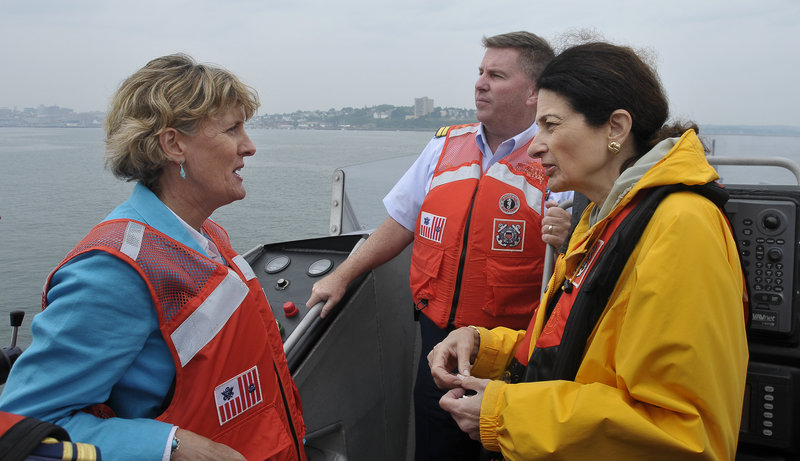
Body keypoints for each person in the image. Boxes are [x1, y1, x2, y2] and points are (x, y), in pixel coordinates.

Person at [428, 41, 749, 460]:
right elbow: (571, 348)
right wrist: (483, 347)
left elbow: (681, 432)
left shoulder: (682, 228)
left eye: (551, 124)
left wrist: (504, 414)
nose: (536, 145)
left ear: (615, 128)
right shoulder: (605, 217)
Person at [0, 54, 306, 461]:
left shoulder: (205, 235)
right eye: (232, 129)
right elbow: (24, 425)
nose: (248, 146)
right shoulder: (114, 270)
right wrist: (172, 446)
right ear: (174, 144)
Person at [305, 31, 572, 460]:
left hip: (512, 350)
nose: (480, 83)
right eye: (480, 72)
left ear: (533, 93)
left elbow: (582, 263)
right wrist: (342, 275)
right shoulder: (445, 146)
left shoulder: (559, 157)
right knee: (435, 446)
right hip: (438, 344)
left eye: (496, 75)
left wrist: (568, 236)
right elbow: (399, 223)